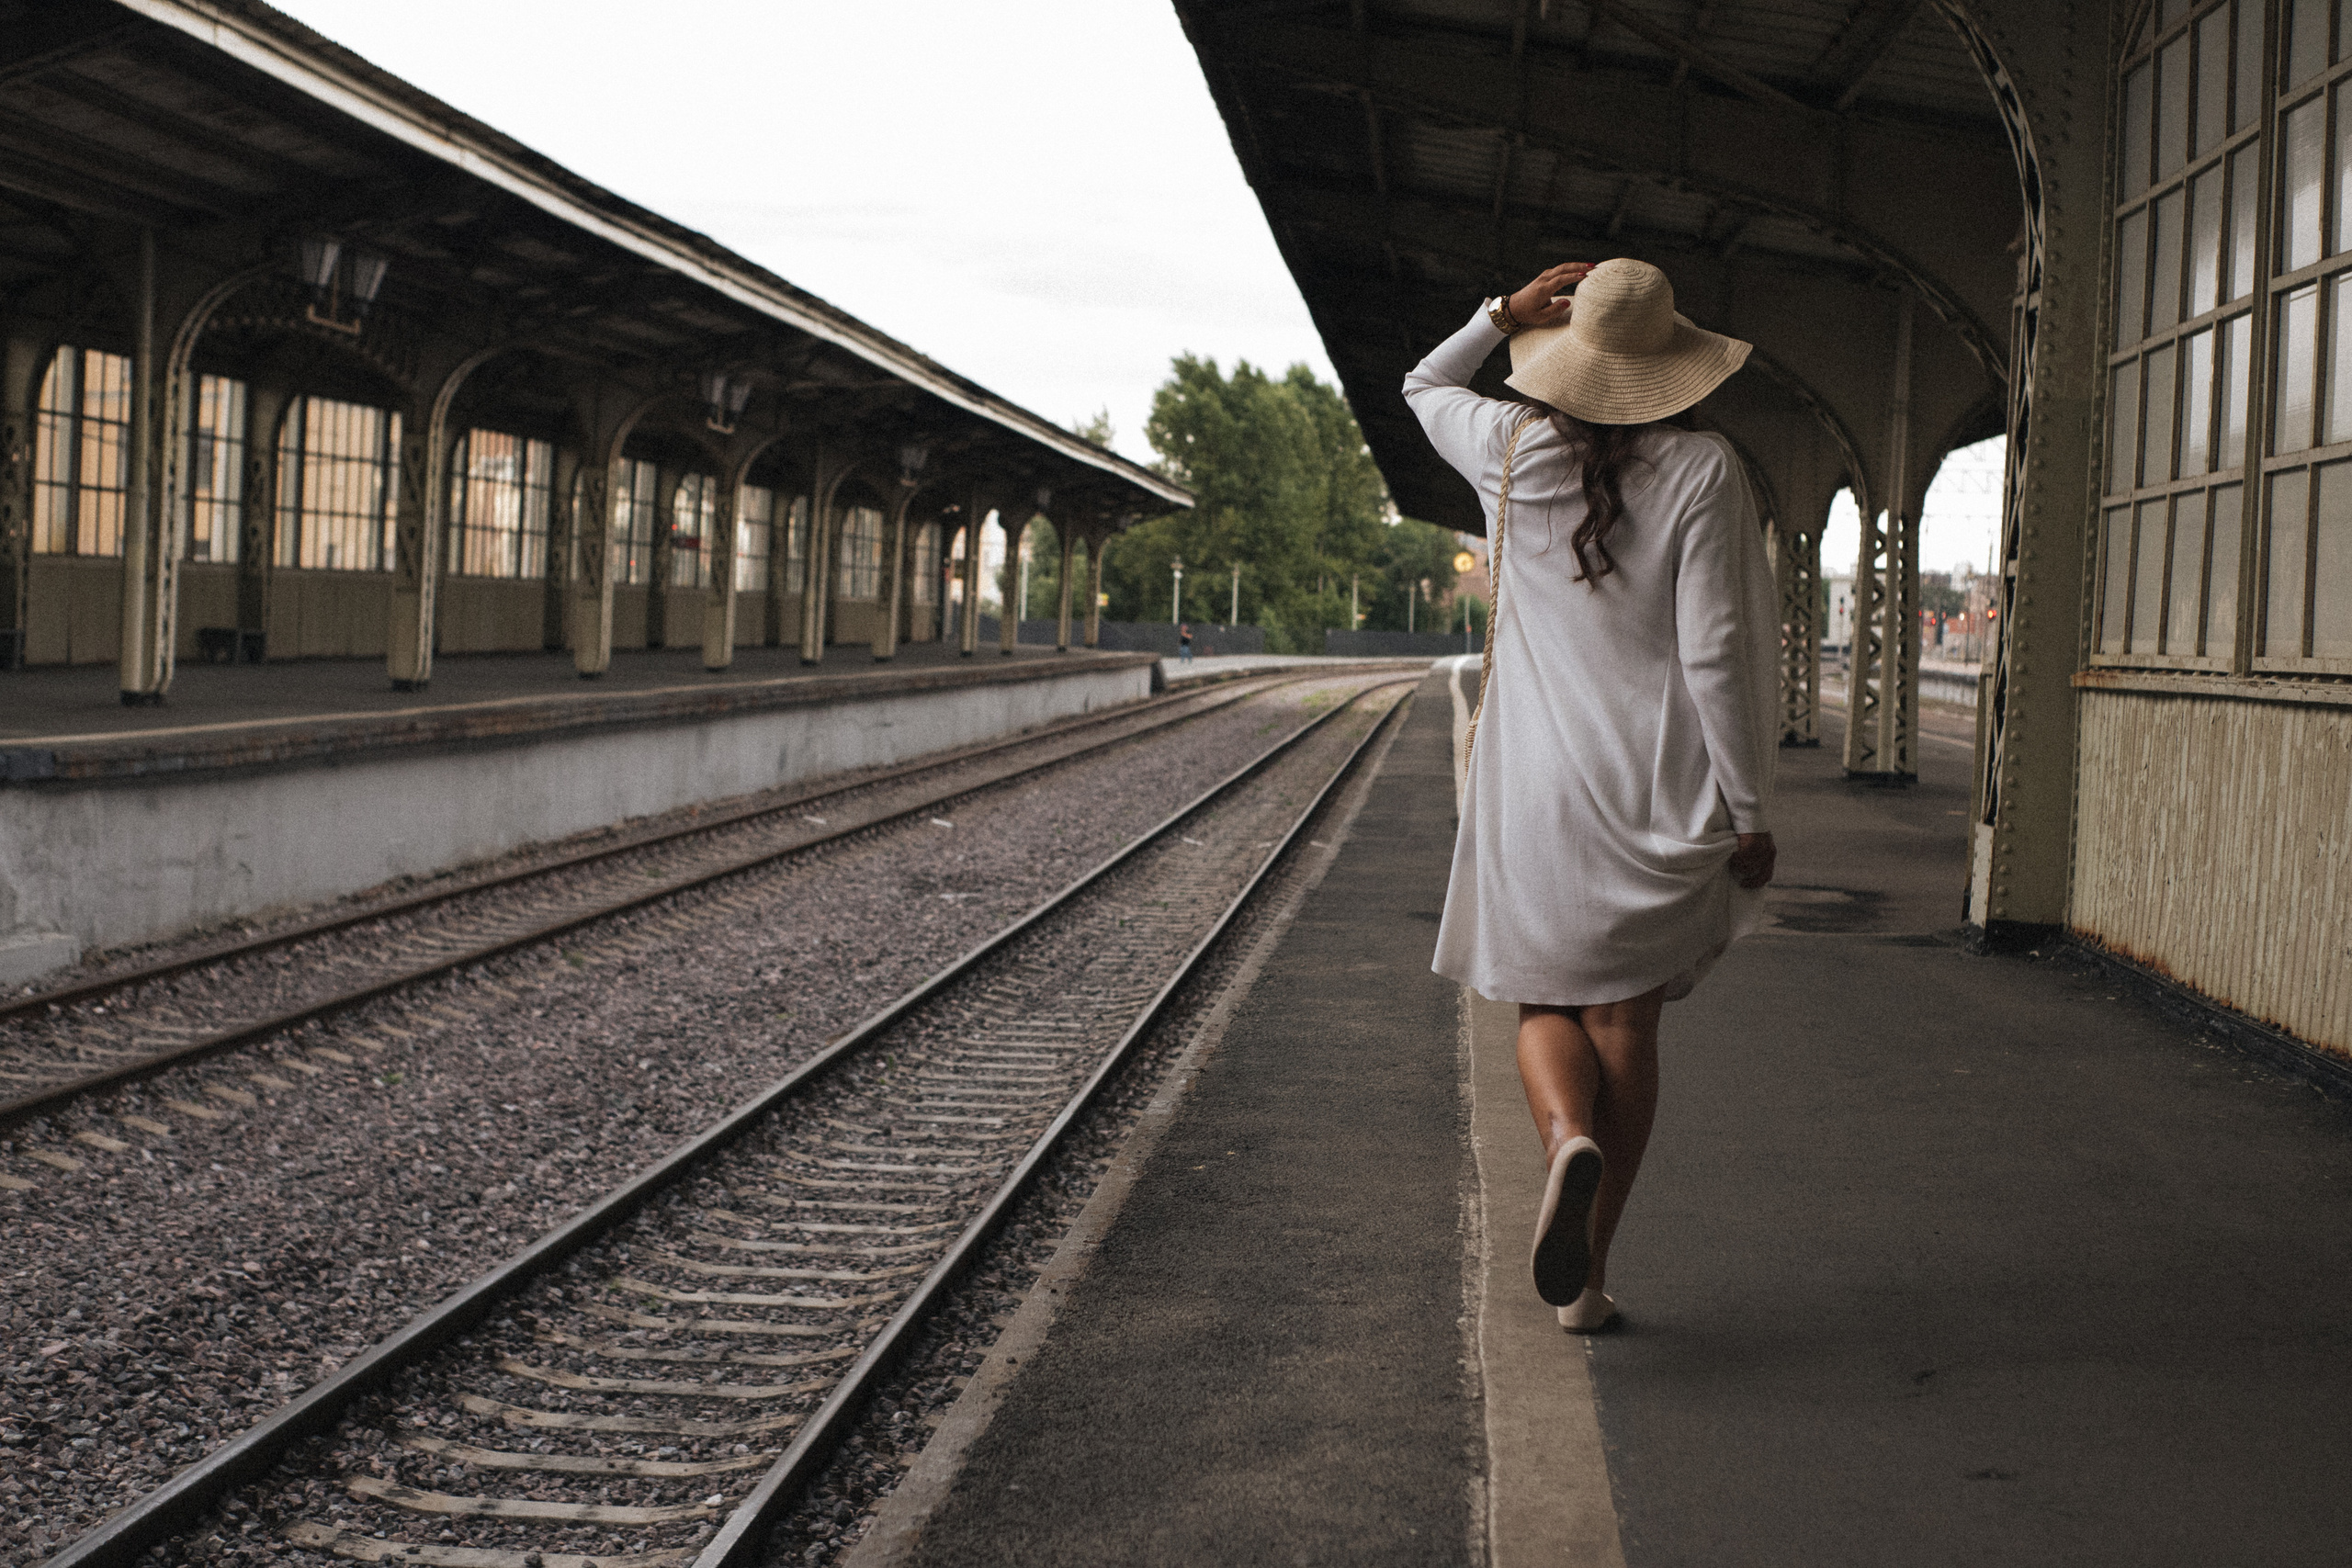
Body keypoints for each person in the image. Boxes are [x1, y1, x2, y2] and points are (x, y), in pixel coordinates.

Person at [1407, 258, 1779, 1333]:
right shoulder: (1705, 468)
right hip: (1653, 777)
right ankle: (1592, 1281)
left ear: (1559, 358)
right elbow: (1710, 650)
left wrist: (1495, 313)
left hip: (1532, 777)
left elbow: (1422, 389)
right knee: (1624, 1014)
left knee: (1544, 1003)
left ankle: (1565, 1137)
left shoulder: (1509, 450)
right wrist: (1747, 808)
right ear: (1672, 367)